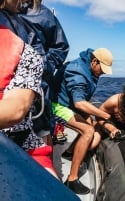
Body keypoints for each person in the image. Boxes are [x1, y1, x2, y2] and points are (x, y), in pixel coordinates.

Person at [0, 0, 59, 179]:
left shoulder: (43, 16)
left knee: (46, 130)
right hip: (36, 92)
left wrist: (42, 69)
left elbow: (14, 111)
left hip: (38, 98)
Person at [51, 47, 114, 194]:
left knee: (91, 124)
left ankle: (70, 152)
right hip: (56, 105)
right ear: (94, 62)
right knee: (88, 130)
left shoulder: (89, 69)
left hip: (68, 103)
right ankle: (71, 180)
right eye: (102, 69)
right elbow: (79, 103)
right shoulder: (78, 71)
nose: (103, 72)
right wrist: (105, 116)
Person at [19, 0, 70, 145]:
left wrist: (42, 65)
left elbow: (61, 46)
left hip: (38, 88)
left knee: (41, 132)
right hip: (7, 84)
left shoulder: (43, 14)